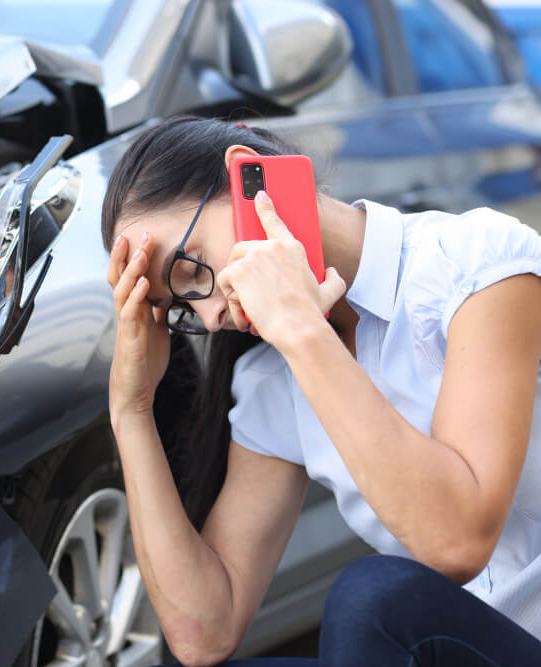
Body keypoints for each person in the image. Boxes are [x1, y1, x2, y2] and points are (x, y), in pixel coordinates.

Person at [102, 115, 541, 666]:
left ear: (250, 177)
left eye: (190, 271)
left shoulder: (475, 265)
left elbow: (456, 543)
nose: (211, 316)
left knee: (372, 599)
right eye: (181, 309)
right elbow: (202, 633)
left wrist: (303, 329)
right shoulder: (270, 376)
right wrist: (130, 408)